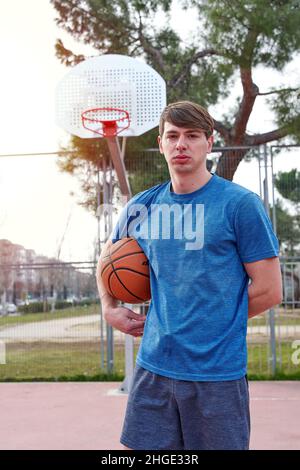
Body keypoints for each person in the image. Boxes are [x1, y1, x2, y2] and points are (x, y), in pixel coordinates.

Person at [96, 101, 282, 450]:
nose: (181, 144)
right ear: (161, 143)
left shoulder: (240, 205)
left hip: (216, 374)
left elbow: (271, 290)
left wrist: (212, 323)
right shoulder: (142, 206)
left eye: (192, 136)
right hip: (153, 368)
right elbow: (105, 261)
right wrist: (109, 307)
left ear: (209, 143)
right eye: (173, 136)